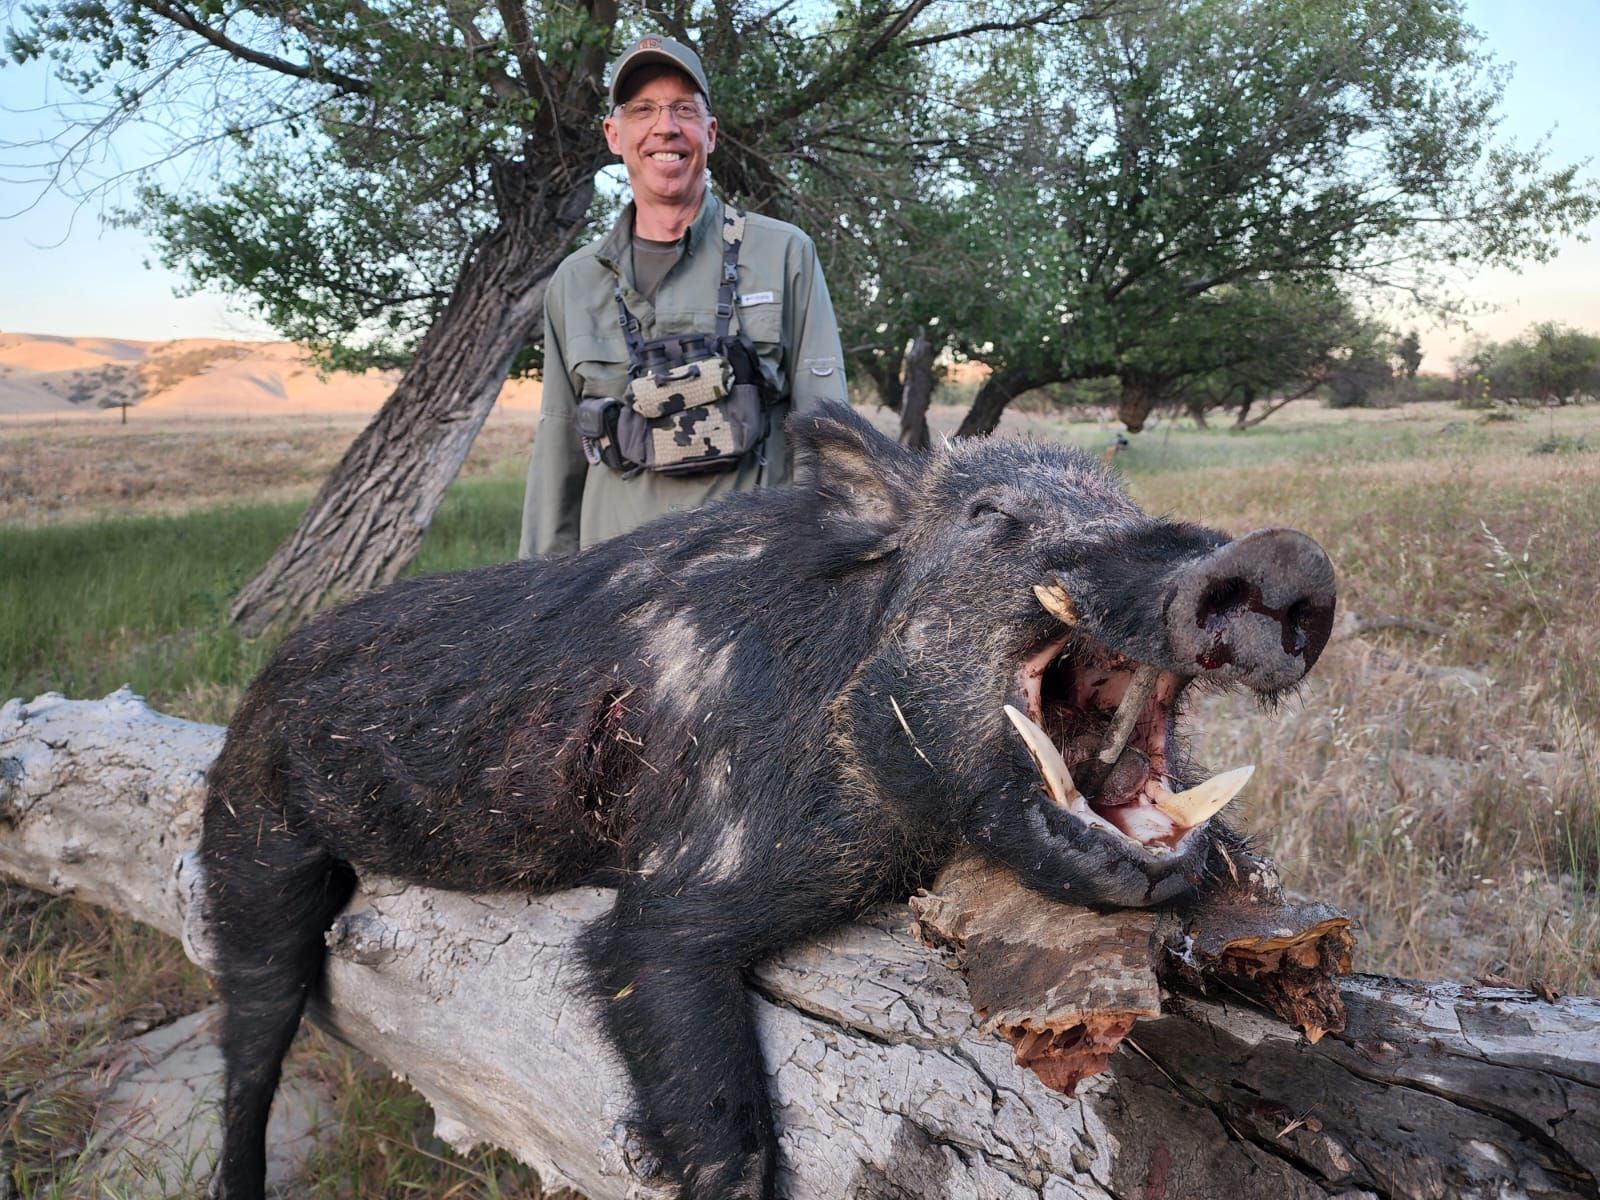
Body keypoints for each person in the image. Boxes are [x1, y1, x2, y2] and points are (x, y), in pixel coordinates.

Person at [519, 34, 849, 558]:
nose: (664, 126)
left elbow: (828, 438)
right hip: (612, 599)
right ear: (614, 133)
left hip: (753, 594)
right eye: (643, 109)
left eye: (682, 109)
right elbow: (559, 453)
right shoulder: (575, 281)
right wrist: (535, 605)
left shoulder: (784, 254)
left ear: (710, 132)